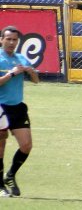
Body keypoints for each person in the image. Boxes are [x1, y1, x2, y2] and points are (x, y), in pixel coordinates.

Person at [0, 26, 40, 198]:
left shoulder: (21, 58)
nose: (11, 42)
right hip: (1, 108)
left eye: (14, 40)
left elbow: (36, 81)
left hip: (17, 107)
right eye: (8, 39)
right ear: (1, 39)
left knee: (26, 145)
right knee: (0, 148)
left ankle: (10, 175)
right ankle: (0, 185)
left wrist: (31, 72)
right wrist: (12, 73)